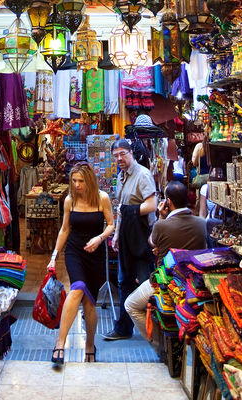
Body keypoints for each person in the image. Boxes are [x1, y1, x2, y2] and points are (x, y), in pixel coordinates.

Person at [125, 181, 207, 350]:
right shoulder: (201, 223)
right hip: (194, 282)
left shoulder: (161, 225)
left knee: (131, 305)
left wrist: (161, 218)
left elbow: (152, 242)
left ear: (168, 202)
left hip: (165, 281)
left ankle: (160, 345)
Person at [48, 163, 115, 365]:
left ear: (90, 180)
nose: (77, 185)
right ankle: (60, 343)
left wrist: (100, 238)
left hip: (94, 255)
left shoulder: (102, 198)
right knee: (76, 289)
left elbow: (111, 224)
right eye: (74, 181)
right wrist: (54, 255)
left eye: (81, 181)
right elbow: (65, 229)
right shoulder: (70, 200)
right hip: (75, 251)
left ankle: (89, 344)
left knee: (89, 303)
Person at [103, 139, 157, 341]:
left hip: (141, 237)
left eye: (122, 154)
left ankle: (155, 327)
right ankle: (124, 327)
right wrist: (117, 234)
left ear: (131, 152)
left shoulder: (142, 174)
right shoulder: (122, 176)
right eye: (116, 155)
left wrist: (130, 211)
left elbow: (152, 205)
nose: (119, 158)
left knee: (145, 283)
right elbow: (121, 209)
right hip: (127, 234)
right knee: (124, 281)